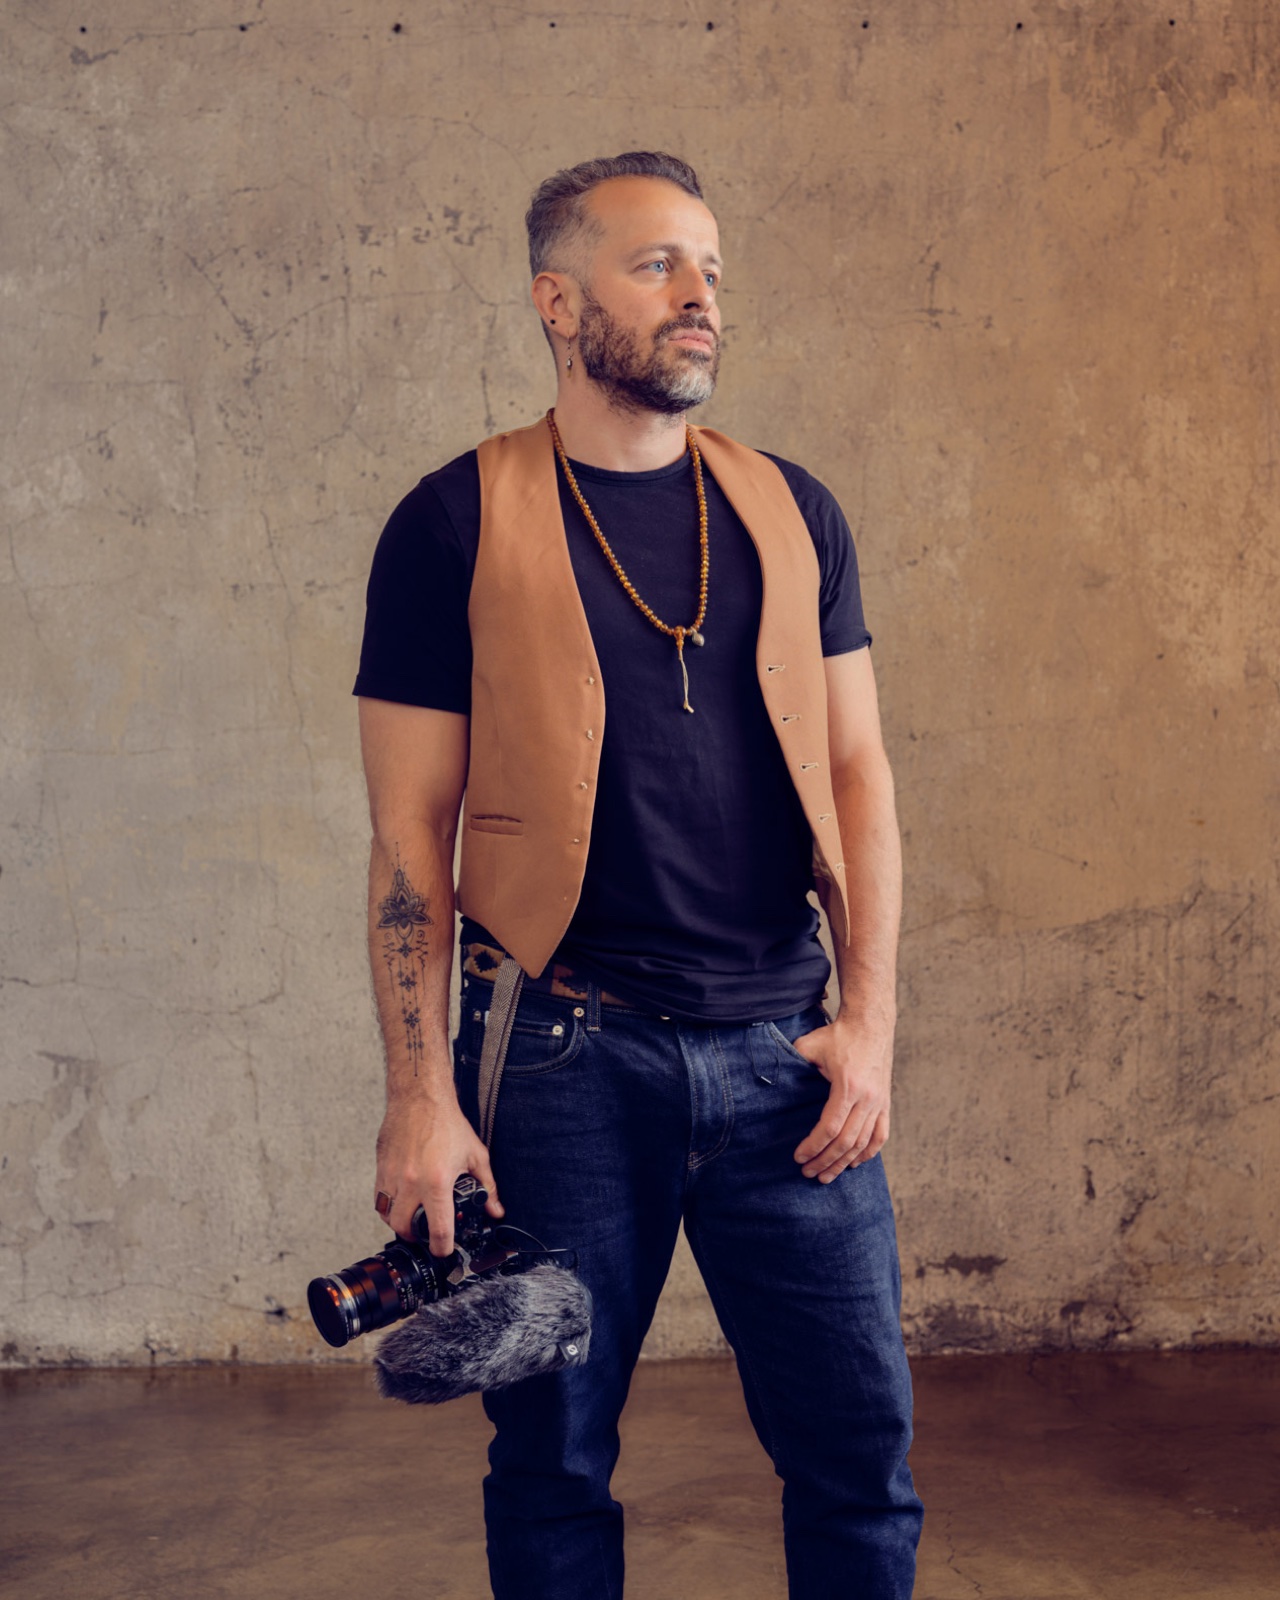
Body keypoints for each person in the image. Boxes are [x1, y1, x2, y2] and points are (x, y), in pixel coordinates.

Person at [353, 150, 922, 1599]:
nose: (700, 300)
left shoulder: (796, 512)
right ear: (558, 301)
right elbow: (412, 839)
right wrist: (422, 1101)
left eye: (713, 269)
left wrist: (871, 1025)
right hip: (564, 1061)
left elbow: (859, 781)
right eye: (658, 266)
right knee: (551, 1460)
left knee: (859, 1460)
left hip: (788, 1056)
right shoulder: (451, 522)